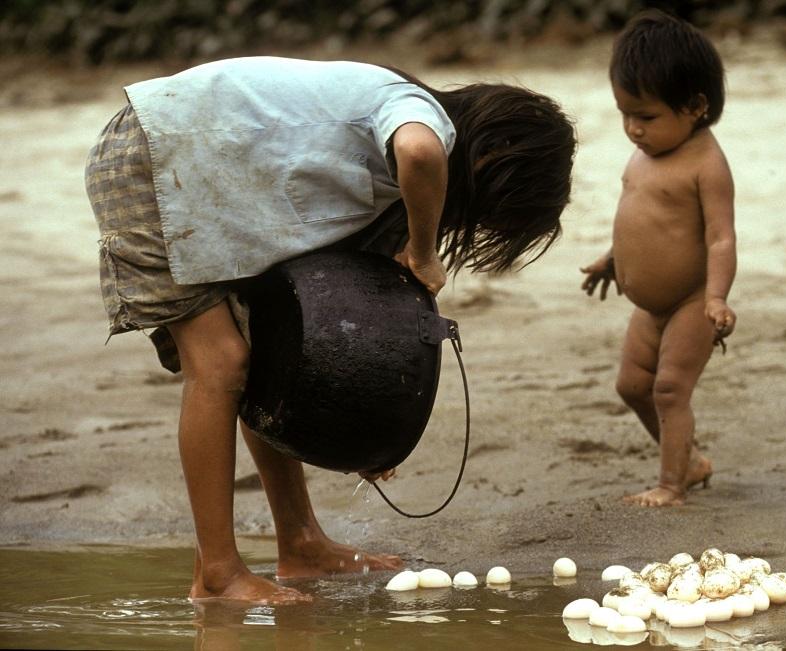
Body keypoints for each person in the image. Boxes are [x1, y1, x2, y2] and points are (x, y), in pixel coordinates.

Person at [85, 56, 576, 603]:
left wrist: (361, 436)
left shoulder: (374, 173)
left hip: (202, 173)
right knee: (220, 364)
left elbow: (329, 333)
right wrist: (424, 249)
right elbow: (419, 152)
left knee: (259, 358)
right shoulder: (419, 114)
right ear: (487, 160)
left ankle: (300, 542)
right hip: (151, 156)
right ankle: (217, 574)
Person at [581, 10, 737, 507]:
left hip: (692, 302)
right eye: (625, 114)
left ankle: (672, 483)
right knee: (632, 386)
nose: (633, 129)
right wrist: (612, 259)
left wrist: (716, 297)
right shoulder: (644, 154)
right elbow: (639, 220)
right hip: (649, 307)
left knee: (669, 390)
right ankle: (690, 461)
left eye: (646, 117)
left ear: (694, 106)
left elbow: (719, 238)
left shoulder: (706, 165)